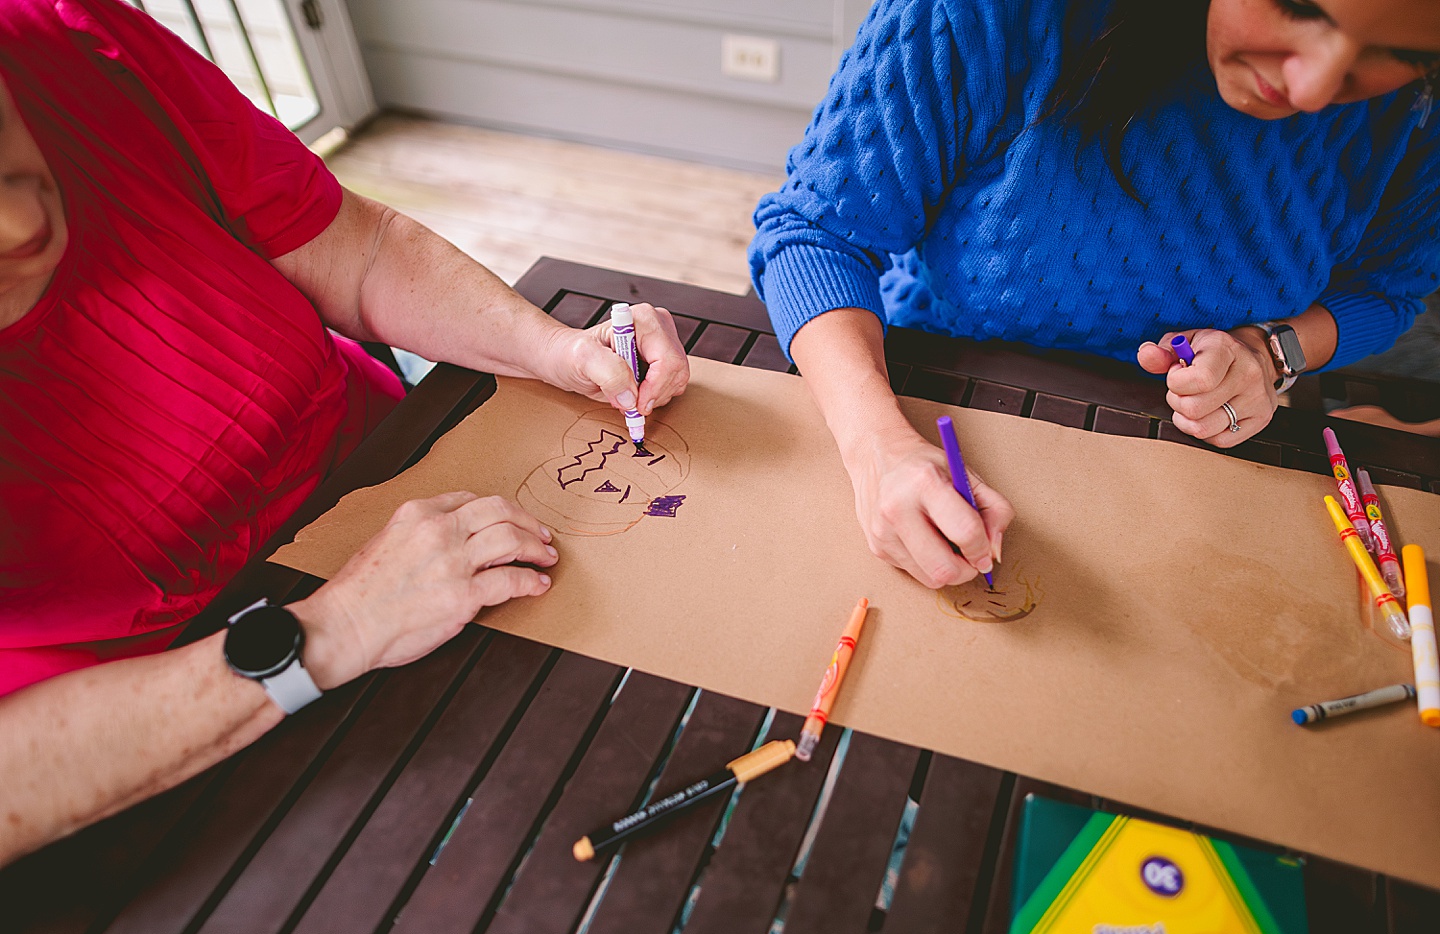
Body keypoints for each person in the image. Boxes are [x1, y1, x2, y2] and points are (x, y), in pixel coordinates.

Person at [0, 0, 689, 865]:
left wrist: (552, 348)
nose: (22, 224)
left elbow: (357, 251)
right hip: (162, 735)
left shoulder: (70, 34)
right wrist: (333, 632)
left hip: (394, 489)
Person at [749, 0, 1440, 590]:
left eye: (1397, 51)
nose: (1314, 89)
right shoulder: (996, 16)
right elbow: (814, 232)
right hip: (921, 391)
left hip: (1186, 470)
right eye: (1299, 6)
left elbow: (1390, 288)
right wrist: (878, 448)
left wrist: (1268, 354)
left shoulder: (1418, 110)